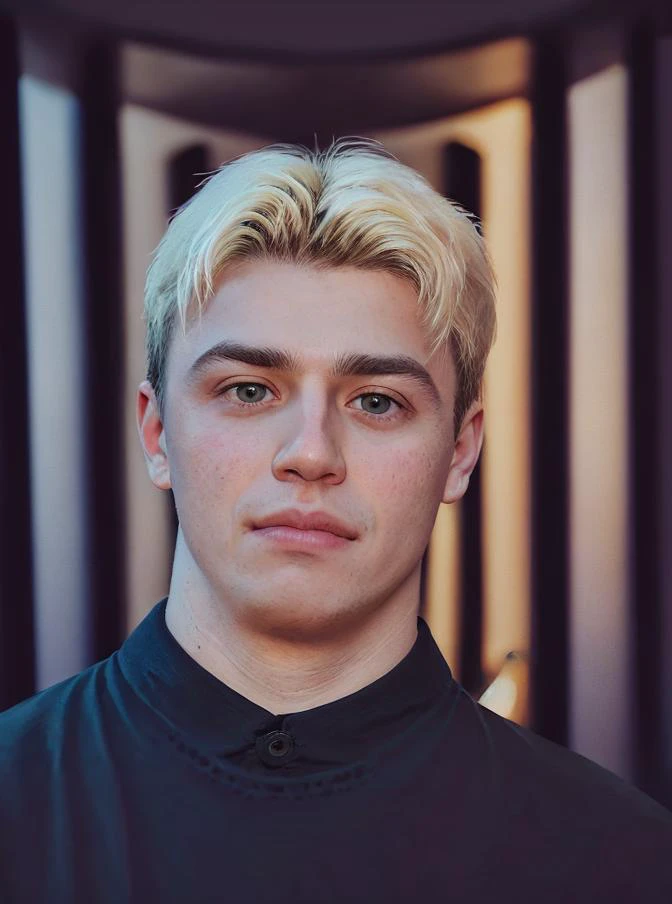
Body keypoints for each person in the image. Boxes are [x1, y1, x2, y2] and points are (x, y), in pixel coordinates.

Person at [1, 138, 671, 903]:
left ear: (459, 449)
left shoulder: (625, 861)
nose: (311, 454)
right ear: (156, 434)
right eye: (249, 390)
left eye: (377, 401)